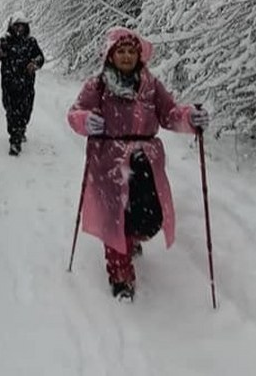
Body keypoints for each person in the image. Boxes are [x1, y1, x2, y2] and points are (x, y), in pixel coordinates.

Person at [66, 27, 210, 301]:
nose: (126, 56)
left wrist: (190, 118)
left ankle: (131, 239)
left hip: (144, 160)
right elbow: (74, 114)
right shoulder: (97, 85)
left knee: (146, 217)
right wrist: (86, 121)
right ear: (110, 54)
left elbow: (169, 114)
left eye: (131, 51)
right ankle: (120, 276)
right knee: (114, 218)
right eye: (121, 51)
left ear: (139, 55)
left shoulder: (151, 85)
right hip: (108, 159)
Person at [0, 12, 45, 156]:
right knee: (11, 111)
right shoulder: (3, 41)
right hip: (9, 83)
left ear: (26, 27)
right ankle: (15, 140)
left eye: (22, 26)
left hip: (26, 84)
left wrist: (34, 63)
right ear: (11, 27)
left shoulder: (31, 42)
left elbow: (40, 57)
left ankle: (21, 129)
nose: (19, 29)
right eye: (17, 26)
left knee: (26, 111)